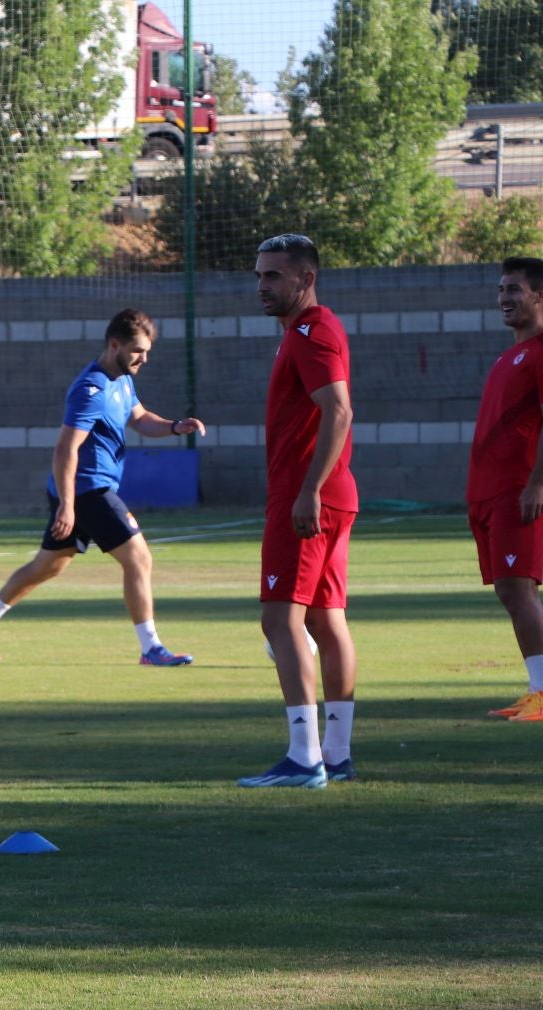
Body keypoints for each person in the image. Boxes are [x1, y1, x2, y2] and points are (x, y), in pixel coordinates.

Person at [0, 310, 202, 665]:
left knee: (49, 565)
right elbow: (65, 448)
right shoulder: (91, 390)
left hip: (83, 492)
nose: (144, 359)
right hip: (87, 491)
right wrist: (68, 505)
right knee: (139, 558)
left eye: (147, 351)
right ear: (114, 344)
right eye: (137, 351)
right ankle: (151, 648)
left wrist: (176, 426)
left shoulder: (122, 380)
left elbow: (141, 419)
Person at [239, 233, 358, 788]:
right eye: (259, 275)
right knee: (326, 621)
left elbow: (339, 410)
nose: (262, 286)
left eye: (274, 276)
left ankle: (304, 756)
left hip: (307, 496)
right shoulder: (304, 332)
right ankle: (335, 754)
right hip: (326, 493)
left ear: (305, 279)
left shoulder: (311, 332)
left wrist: (308, 489)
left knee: (280, 618)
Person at [468, 255, 543, 721]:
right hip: (491, 493)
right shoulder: (508, 354)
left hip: (520, 490)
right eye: (500, 289)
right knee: (509, 591)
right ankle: (536, 690)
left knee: (519, 589)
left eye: (514, 289)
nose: (504, 298)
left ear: (539, 296)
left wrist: (537, 485)